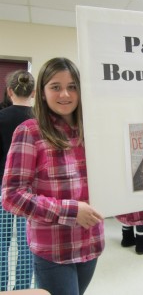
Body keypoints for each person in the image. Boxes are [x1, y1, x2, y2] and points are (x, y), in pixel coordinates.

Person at [1, 57, 105, 295]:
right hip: (54, 249)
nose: (65, 94)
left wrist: (140, 211)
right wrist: (70, 211)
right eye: (56, 87)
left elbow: (109, 185)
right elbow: (12, 196)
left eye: (72, 87)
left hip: (91, 243)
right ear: (42, 93)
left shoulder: (93, 131)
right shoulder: (29, 131)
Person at [0, 70, 35, 290]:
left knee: (1, 243)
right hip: (30, 191)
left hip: (1, 188)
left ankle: (1, 288)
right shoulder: (40, 120)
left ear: (10, 91)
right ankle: (22, 289)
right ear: (33, 92)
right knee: (27, 243)